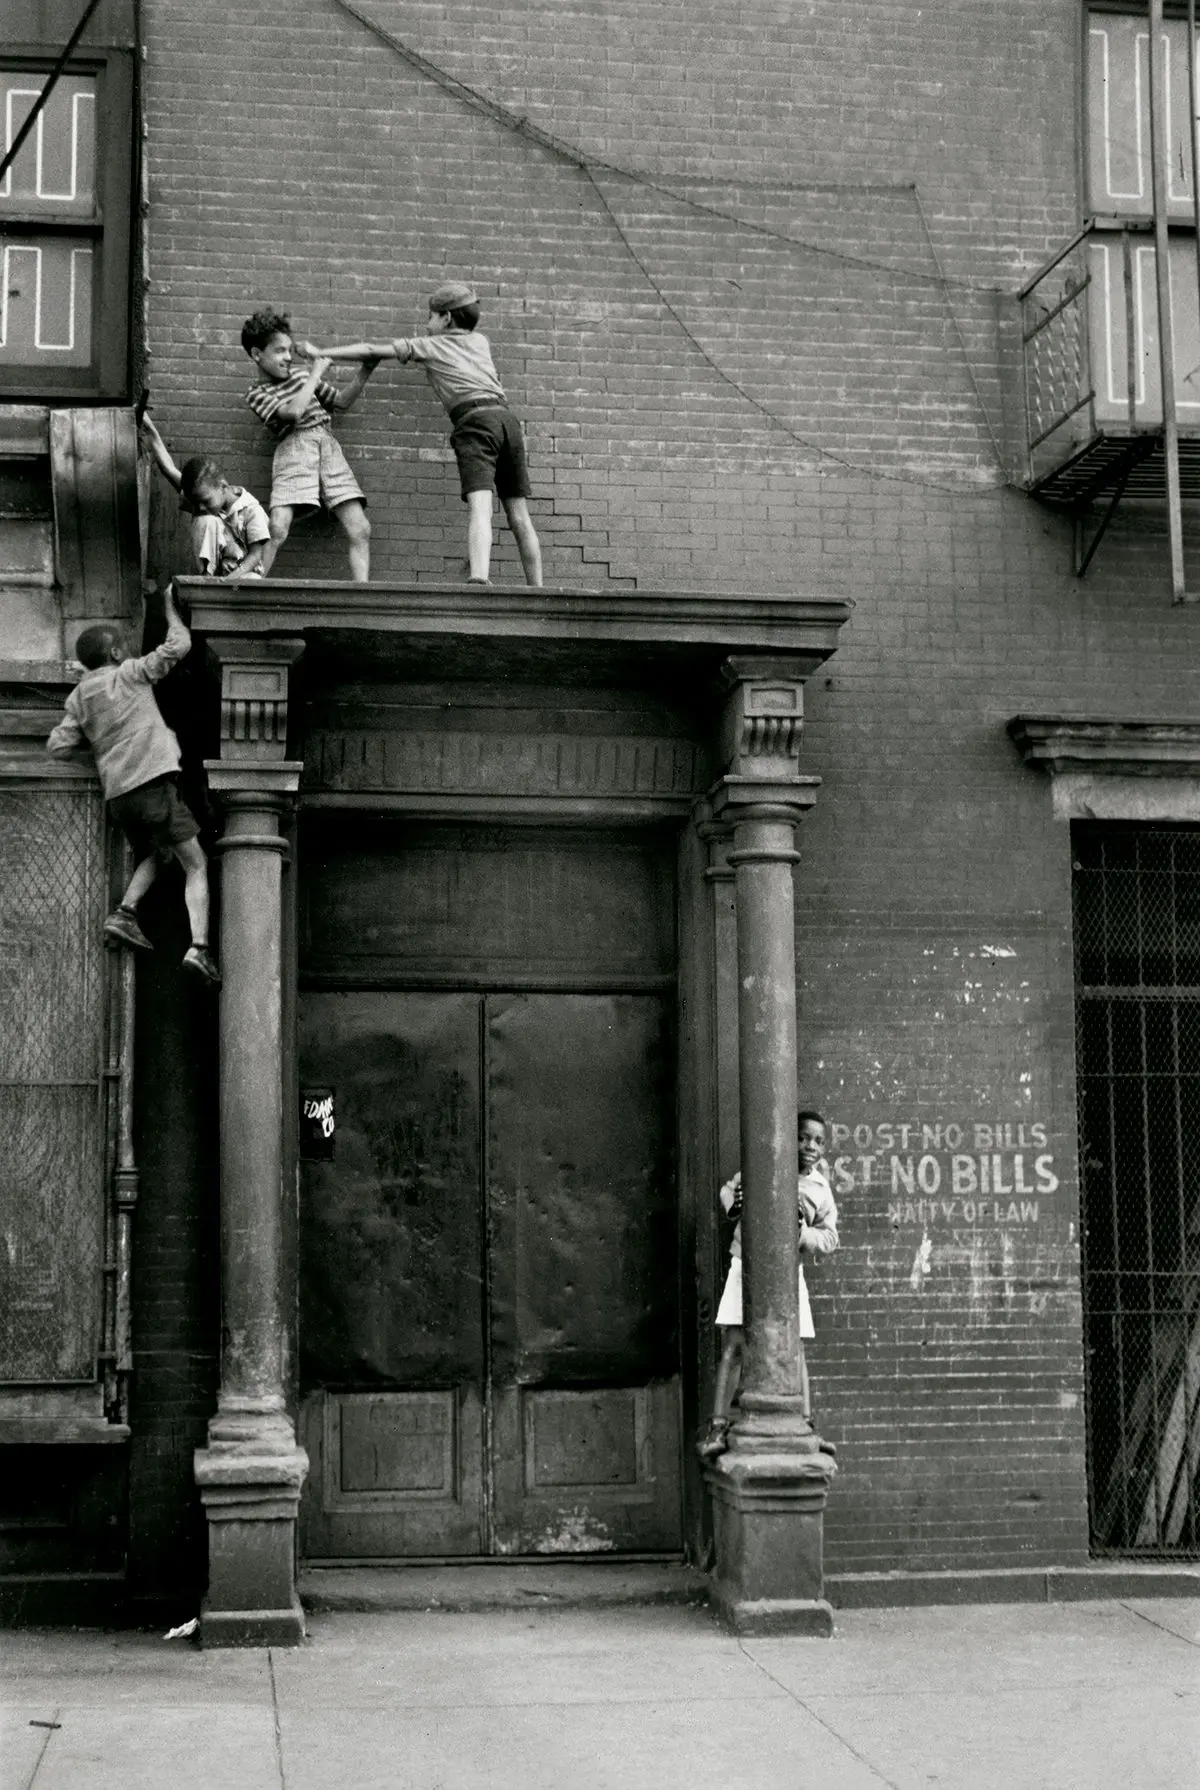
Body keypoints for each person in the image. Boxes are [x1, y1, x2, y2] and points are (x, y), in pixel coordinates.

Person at [307, 280, 543, 588]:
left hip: (475, 423)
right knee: (519, 514)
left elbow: (369, 350)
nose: (426, 323)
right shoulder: (480, 342)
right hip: (506, 420)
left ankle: (479, 580)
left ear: (446, 318)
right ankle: (539, 590)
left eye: (431, 316)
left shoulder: (429, 346)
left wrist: (320, 352)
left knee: (480, 507)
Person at [46, 587, 221, 986]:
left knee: (159, 855)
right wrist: (168, 608)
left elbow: (58, 746)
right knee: (196, 863)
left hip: (121, 798)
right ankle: (199, 949)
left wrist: (105, 750)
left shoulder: (80, 697)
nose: (126, 650)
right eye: (122, 646)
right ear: (114, 654)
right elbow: (180, 644)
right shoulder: (130, 673)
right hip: (153, 785)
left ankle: (124, 913)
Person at [699, 1109, 838, 1461]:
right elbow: (727, 1192)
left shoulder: (820, 1189)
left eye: (819, 1141)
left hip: (789, 1274)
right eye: (803, 1138)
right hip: (745, 1263)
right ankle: (717, 1427)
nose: (811, 1147)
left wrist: (803, 1232)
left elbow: (830, 1237)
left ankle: (807, 1425)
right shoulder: (762, 1166)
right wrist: (736, 1204)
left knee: (796, 1350)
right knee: (733, 1345)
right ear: (789, 1139)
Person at [241, 308, 378, 581]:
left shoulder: (302, 376)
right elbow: (293, 413)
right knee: (277, 528)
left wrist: (365, 370)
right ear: (257, 355)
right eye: (279, 351)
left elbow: (340, 402)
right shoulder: (257, 393)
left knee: (361, 528)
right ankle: (252, 584)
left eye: (290, 350)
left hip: (327, 445)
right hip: (294, 448)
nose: (288, 357)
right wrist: (315, 372)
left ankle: (362, 596)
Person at [139, 415, 271, 579]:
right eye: (197, 502)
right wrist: (151, 428)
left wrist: (228, 581)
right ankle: (206, 578)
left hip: (243, 577)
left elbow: (255, 556)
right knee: (205, 520)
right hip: (216, 578)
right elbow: (169, 469)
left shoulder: (252, 510)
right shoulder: (204, 497)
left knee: (253, 579)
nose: (200, 507)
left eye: (205, 501)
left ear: (223, 487)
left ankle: (211, 587)